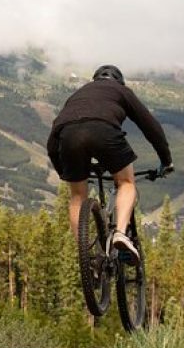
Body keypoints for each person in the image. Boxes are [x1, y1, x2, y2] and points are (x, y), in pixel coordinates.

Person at [47, 64, 173, 261]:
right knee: (126, 183)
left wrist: (65, 171)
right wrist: (166, 160)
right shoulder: (121, 91)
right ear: (119, 81)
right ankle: (120, 234)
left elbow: (52, 141)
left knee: (77, 195)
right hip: (104, 130)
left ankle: (85, 256)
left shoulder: (77, 95)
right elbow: (151, 127)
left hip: (67, 135)